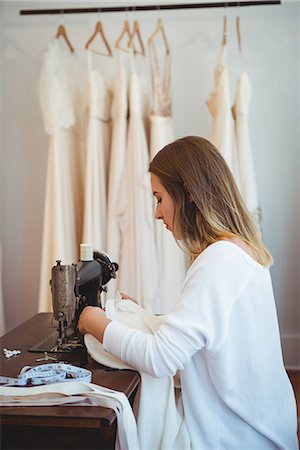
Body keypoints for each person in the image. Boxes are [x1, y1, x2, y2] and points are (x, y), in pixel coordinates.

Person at [78, 136, 298, 449]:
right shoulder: (239, 250)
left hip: (235, 439)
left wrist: (95, 323)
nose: (157, 213)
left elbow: (161, 358)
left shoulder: (218, 262)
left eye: (159, 198)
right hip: (263, 429)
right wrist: (144, 316)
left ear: (189, 194)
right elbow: (215, 335)